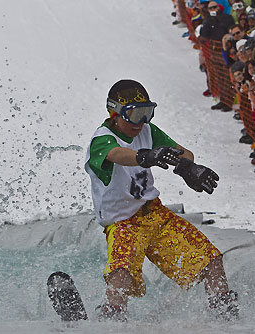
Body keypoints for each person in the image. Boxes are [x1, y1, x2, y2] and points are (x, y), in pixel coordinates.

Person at [85, 79, 239, 320]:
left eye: (146, 113)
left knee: (210, 260)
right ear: (114, 112)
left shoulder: (147, 131)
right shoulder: (102, 139)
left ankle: (224, 315)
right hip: (123, 222)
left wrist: (188, 167)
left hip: (155, 215)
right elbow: (117, 154)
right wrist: (145, 156)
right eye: (134, 114)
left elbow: (182, 152)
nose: (141, 121)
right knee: (121, 272)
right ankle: (112, 316)